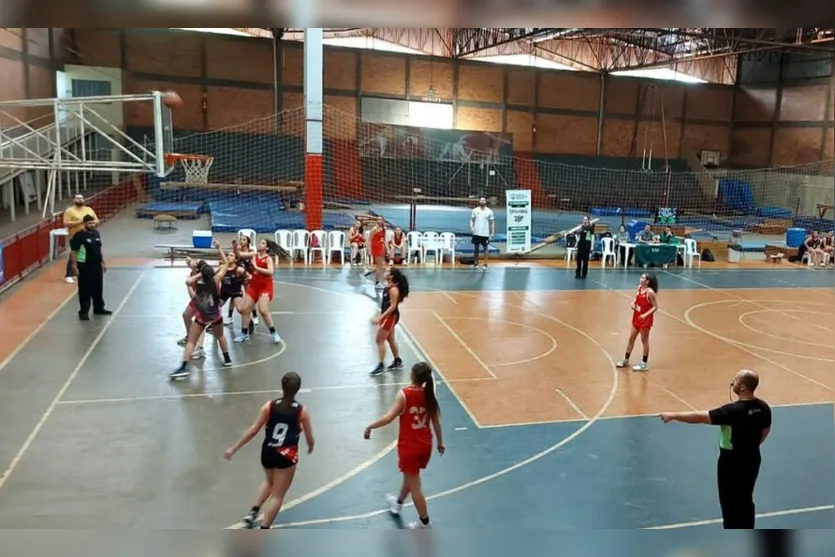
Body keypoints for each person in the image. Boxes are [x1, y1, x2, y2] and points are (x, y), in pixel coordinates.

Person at [660, 369, 771, 529]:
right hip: (753, 458)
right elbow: (765, 431)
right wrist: (750, 446)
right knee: (746, 498)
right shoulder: (764, 407)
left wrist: (673, 415)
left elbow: (700, 417)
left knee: (729, 502)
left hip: (730, 462)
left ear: (743, 387)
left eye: (736, 380)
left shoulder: (732, 411)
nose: (733, 382)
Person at [225, 372, 315, 529]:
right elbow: (309, 436)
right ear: (298, 389)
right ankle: (264, 528)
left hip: (268, 451)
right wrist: (310, 445)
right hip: (286, 454)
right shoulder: (302, 411)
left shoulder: (269, 406)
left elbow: (253, 430)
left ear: (282, 386)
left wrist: (234, 448)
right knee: (277, 495)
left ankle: (253, 512)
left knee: (269, 481)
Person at [364, 362, 445, 529]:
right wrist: (440, 443)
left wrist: (370, 426)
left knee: (416, 486)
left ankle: (425, 523)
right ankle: (398, 503)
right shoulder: (429, 395)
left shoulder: (404, 395)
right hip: (425, 445)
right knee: (410, 476)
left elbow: (388, 418)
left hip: (410, 446)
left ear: (412, 376)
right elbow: (436, 422)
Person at [170, 249, 233, 378]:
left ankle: (183, 367)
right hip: (215, 314)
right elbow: (226, 264)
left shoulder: (197, 281)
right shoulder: (216, 279)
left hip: (202, 315)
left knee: (192, 341)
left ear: (200, 273)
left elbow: (188, 282)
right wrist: (219, 249)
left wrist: (197, 275)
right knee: (220, 336)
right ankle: (227, 359)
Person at [234, 239, 282, 344]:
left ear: (267, 248)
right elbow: (239, 254)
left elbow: (270, 272)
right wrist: (234, 246)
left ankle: (274, 333)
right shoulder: (253, 255)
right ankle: (244, 333)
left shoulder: (268, 258)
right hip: (254, 287)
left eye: (263, 243)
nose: (260, 244)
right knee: (245, 309)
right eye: (260, 242)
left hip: (265, 288)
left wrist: (256, 267)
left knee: (263, 310)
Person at [69, 214, 111, 320]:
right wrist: (74, 266)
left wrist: (103, 262)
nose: (92, 225)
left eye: (93, 223)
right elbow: (74, 252)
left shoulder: (96, 233)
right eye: (89, 223)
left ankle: (98, 308)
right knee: (85, 290)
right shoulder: (79, 236)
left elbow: (99, 250)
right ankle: (83, 312)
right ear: (84, 224)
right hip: (84, 266)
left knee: (98, 288)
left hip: (96, 265)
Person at [370, 267, 409, 376]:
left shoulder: (393, 290)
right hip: (390, 317)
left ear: (391, 276)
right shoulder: (389, 287)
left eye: (387, 272)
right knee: (390, 339)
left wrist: (380, 318)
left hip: (390, 317)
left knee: (379, 340)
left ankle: (381, 365)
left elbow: (392, 307)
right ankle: (397, 361)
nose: (385, 272)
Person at [616, 272, 658, 372]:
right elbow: (636, 299)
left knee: (644, 340)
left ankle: (644, 364)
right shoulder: (639, 288)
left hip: (645, 319)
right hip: (637, 317)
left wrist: (645, 315)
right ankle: (626, 359)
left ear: (647, 281)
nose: (640, 279)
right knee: (631, 338)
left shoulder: (650, 292)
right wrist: (633, 303)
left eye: (642, 278)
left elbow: (656, 307)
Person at [62, 194, 98, 284]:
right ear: (74, 200)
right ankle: (69, 275)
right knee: (74, 254)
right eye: (78, 198)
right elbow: (66, 223)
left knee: (89, 253)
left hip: (88, 235)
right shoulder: (69, 211)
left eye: (82, 198)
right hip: (75, 236)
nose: (80, 200)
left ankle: (84, 272)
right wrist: (80, 221)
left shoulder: (89, 210)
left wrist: (92, 224)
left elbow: (96, 220)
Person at [470, 197, 494, 270]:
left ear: (486, 202)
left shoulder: (489, 211)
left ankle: (485, 264)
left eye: (483, 200)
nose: (482, 201)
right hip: (476, 233)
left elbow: (492, 223)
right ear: (479, 201)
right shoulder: (475, 210)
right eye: (481, 200)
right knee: (475, 249)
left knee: (485, 249)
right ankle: (475, 263)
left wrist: (492, 232)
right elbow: (472, 220)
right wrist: (472, 227)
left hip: (485, 233)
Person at [364, 217, 387, 288]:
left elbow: (384, 239)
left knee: (382, 266)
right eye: (378, 220)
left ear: (383, 220)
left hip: (381, 246)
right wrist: (368, 249)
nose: (379, 221)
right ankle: (377, 283)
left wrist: (387, 248)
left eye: (380, 219)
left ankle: (370, 272)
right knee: (379, 265)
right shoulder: (374, 229)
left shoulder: (384, 229)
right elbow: (369, 240)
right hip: (376, 247)